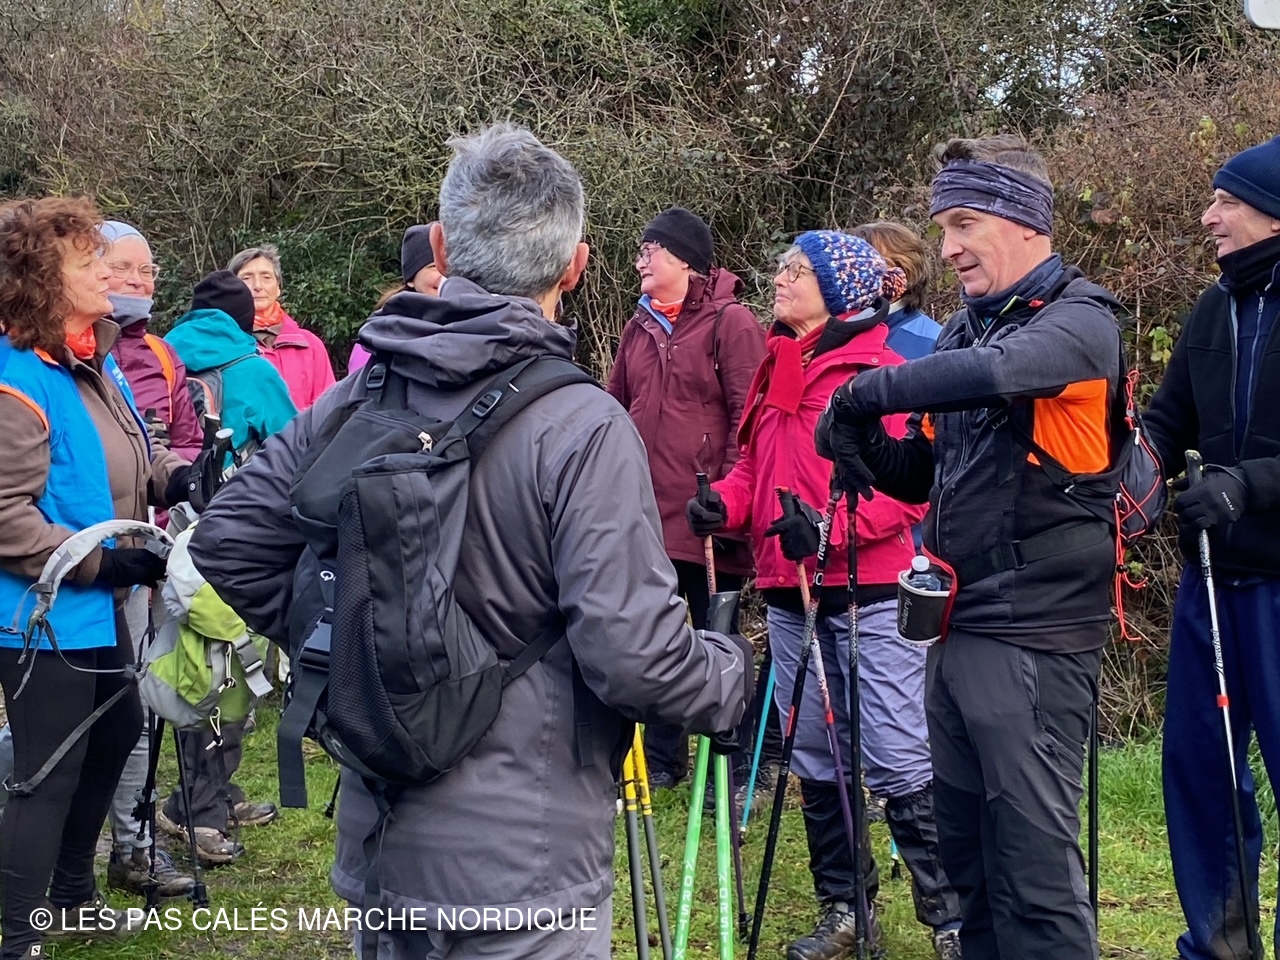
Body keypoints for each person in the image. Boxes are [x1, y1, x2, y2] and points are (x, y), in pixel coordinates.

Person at [185, 123, 752, 960]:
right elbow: (634, 657)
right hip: (527, 869)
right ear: (576, 266)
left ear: (443, 247)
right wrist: (730, 675)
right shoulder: (586, 426)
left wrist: (353, 644)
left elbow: (228, 537)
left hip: (385, 844)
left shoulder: (366, 393)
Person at [818, 134, 1124, 960]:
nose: (947, 248)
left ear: (1024, 222)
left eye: (963, 224)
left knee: (1034, 872)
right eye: (942, 227)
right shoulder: (963, 330)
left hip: (1034, 629)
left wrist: (863, 392)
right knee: (969, 864)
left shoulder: (1080, 323)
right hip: (953, 626)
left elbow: (1002, 375)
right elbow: (923, 472)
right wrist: (862, 446)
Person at [688, 230, 959, 960]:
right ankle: (846, 909)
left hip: (870, 588)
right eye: (782, 266)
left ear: (840, 292)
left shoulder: (883, 372)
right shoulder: (779, 364)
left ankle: (953, 921)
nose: (780, 278)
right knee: (813, 753)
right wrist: (725, 504)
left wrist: (828, 529)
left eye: (798, 271)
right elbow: (756, 468)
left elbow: (909, 492)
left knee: (897, 754)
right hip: (790, 589)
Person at [0, 196, 205, 959]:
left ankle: (73, 898)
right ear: (43, 279)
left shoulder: (91, 358)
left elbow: (132, 448)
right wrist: (100, 561)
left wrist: (178, 476)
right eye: (87, 262)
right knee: (48, 773)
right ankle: (20, 934)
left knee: (115, 733)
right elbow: (4, 514)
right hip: (40, 615)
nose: (106, 273)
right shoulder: (17, 380)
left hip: (96, 606)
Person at [1142, 135, 1280, 960]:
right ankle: (1220, 946)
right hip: (1211, 582)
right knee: (1201, 775)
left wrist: (1247, 485)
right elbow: (1168, 419)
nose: (1208, 217)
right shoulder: (1214, 305)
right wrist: (1134, 475)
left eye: (1226, 201)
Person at [607, 206, 766, 793]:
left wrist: (727, 499)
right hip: (646, 511)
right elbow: (613, 409)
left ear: (683, 259)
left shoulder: (732, 323)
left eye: (650, 250)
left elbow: (750, 420)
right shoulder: (638, 326)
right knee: (657, 632)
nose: (640, 261)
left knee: (715, 632)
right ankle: (664, 761)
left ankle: (732, 761)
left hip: (706, 513)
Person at [158, 271, 295, 865]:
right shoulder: (253, 370)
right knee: (234, 669)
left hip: (175, 533)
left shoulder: (161, 358)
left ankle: (208, 791)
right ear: (243, 318)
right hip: (241, 538)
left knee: (196, 664)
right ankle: (196, 808)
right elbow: (295, 449)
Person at [98, 219, 198, 899]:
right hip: (79, 567)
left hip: (147, 554)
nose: (138, 283)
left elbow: (162, 442)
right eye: (121, 269)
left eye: (148, 271)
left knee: (133, 708)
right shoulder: (52, 357)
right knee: (76, 718)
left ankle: (132, 847)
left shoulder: (146, 357)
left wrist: (186, 478)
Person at [227, 243, 335, 409]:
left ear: (278, 287)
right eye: (246, 278)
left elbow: (329, 408)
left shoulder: (310, 345)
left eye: (266, 277)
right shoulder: (224, 344)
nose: (257, 286)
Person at [348, 223, 444, 374]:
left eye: (449, 267)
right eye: (433, 267)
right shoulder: (378, 335)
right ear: (411, 279)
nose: (444, 276)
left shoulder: (472, 324)